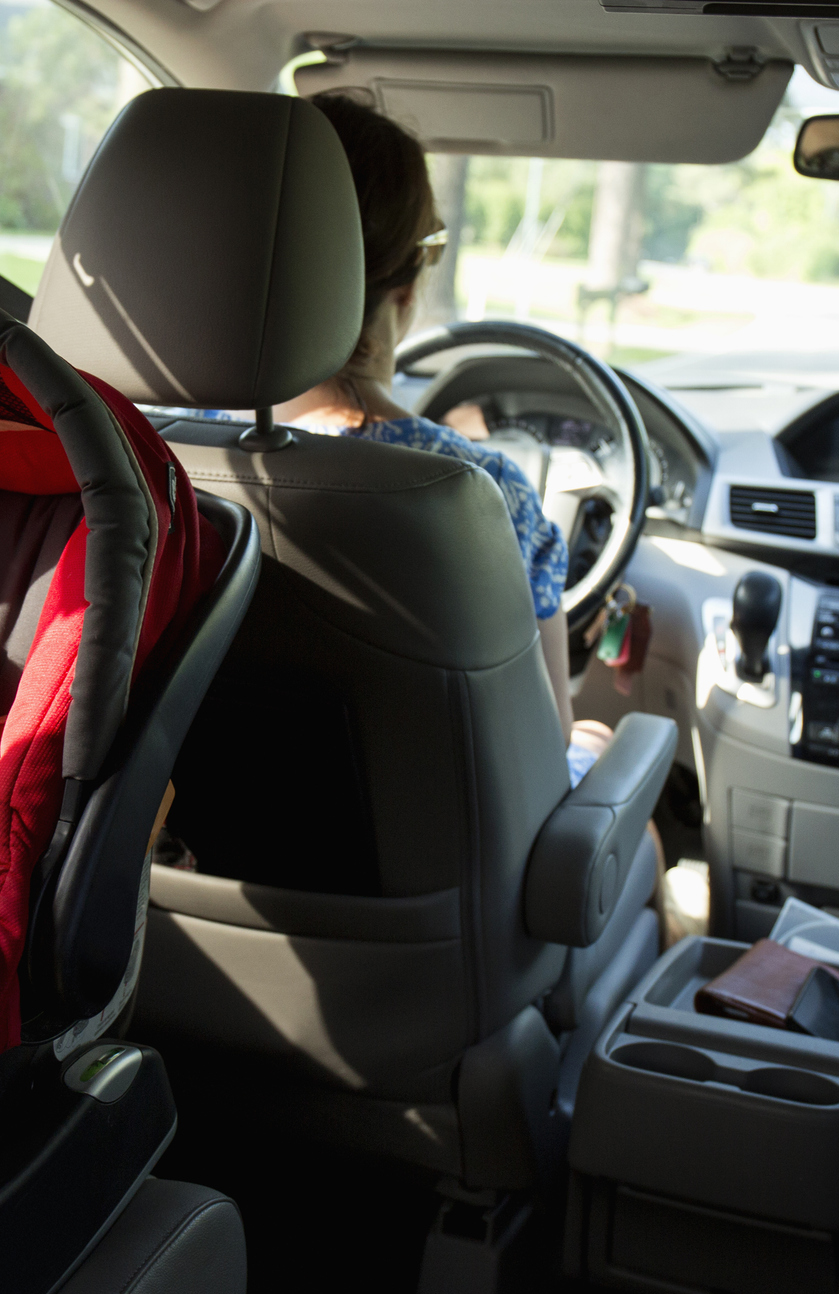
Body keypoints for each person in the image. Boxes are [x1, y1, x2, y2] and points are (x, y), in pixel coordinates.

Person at [224, 92, 606, 784]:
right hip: (432, 847)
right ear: (403, 291)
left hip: (208, 832)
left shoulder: (157, 459)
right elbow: (544, 744)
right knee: (601, 746)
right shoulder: (486, 493)